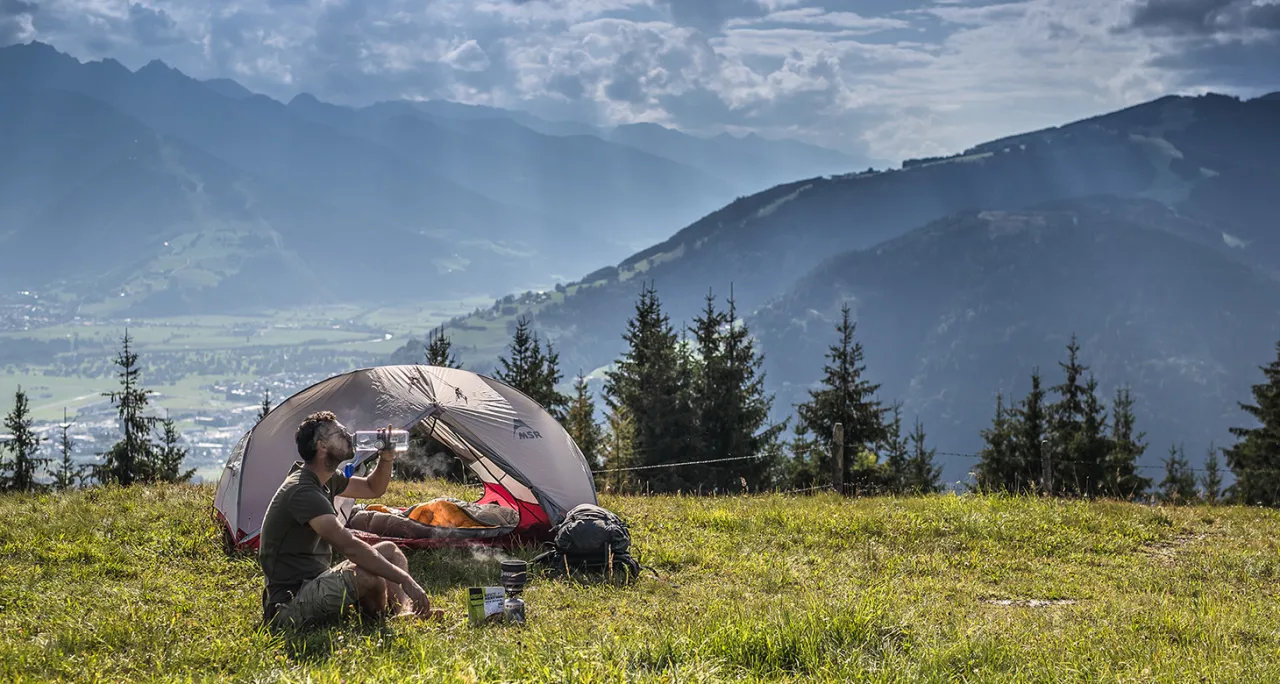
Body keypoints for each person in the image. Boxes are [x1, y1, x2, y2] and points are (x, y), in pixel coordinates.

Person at [258, 410, 442, 630]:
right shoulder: (303, 491)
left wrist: (386, 458)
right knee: (368, 575)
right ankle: (378, 620)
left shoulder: (326, 479)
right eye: (340, 433)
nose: (348, 435)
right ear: (322, 446)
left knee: (390, 552)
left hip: (316, 581)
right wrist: (404, 579)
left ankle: (405, 613)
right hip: (289, 603)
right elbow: (349, 546)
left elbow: (373, 488)